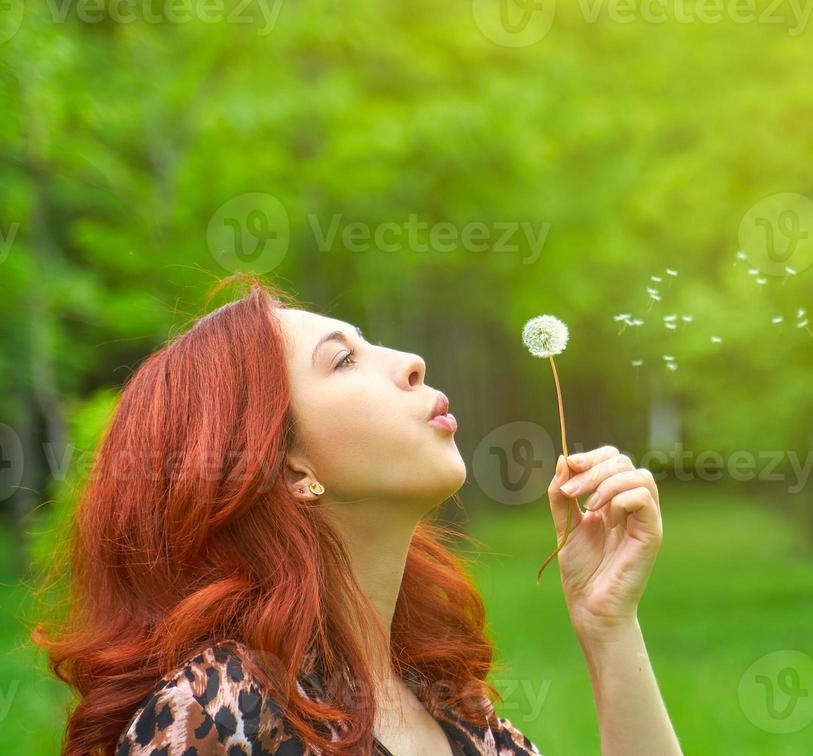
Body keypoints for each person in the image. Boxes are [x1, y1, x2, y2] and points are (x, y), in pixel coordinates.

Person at [35, 280, 681, 755]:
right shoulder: (220, 712)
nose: (410, 362)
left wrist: (608, 626)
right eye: (343, 360)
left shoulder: (464, 719)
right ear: (286, 467)